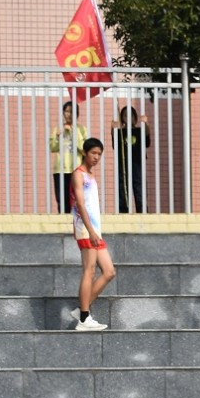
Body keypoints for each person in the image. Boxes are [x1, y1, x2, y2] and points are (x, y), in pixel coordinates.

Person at [69, 138, 113, 332]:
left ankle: (81, 310)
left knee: (109, 271)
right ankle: (84, 318)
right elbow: (80, 204)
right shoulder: (78, 175)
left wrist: (96, 231)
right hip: (86, 229)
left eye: (99, 154)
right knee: (89, 270)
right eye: (93, 153)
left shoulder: (91, 176)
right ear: (85, 153)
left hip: (95, 230)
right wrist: (91, 230)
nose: (96, 157)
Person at [48, 102, 87, 214]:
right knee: (62, 198)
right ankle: (63, 219)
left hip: (76, 169)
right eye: (66, 111)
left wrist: (74, 132)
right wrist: (57, 136)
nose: (68, 114)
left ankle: (77, 220)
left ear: (77, 114)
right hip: (60, 169)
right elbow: (53, 148)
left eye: (71, 112)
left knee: (76, 198)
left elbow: (83, 148)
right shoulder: (58, 129)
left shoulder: (82, 129)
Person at [112, 107, 150, 214]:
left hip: (137, 165)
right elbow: (115, 145)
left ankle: (143, 214)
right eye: (125, 115)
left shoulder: (139, 130)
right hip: (123, 166)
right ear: (122, 118)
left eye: (131, 115)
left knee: (140, 192)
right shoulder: (120, 132)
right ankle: (124, 215)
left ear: (135, 117)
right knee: (123, 193)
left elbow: (147, 142)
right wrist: (113, 130)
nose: (128, 118)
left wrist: (146, 124)